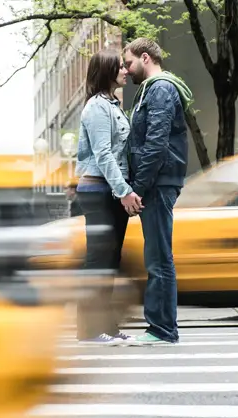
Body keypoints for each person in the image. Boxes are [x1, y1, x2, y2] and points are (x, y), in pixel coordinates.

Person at [122, 38, 194, 345]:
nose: (126, 70)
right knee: (157, 256)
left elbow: (155, 142)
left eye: (129, 63)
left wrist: (138, 188)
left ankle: (162, 329)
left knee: (159, 258)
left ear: (146, 58)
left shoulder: (161, 89)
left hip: (158, 182)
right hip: (158, 180)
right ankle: (161, 327)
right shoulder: (151, 90)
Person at [75, 48, 143, 345]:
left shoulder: (112, 104)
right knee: (98, 263)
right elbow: (103, 154)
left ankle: (107, 326)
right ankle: (89, 330)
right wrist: (124, 191)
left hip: (110, 190)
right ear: (106, 71)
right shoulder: (96, 108)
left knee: (110, 262)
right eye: (120, 67)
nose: (126, 70)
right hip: (99, 190)